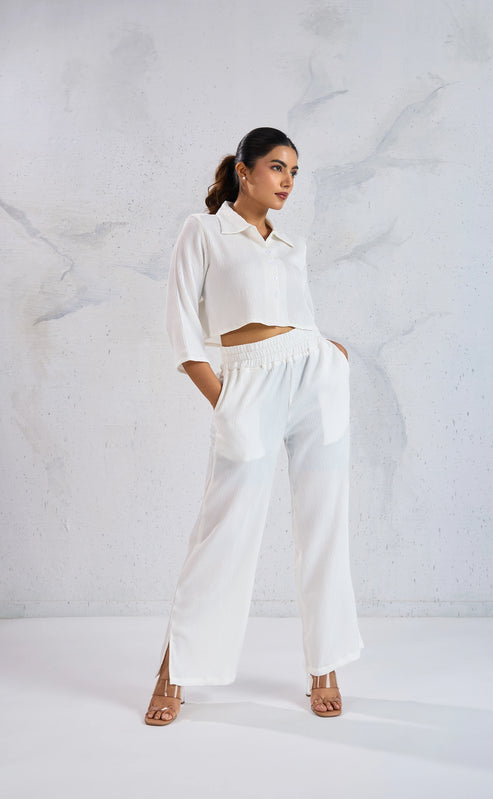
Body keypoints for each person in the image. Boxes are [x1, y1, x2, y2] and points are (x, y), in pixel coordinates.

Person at [145, 127, 364, 726]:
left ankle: (325, 664)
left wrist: (329, 356)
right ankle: (175, 670)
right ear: (244, 170)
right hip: (247, 381)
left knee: (324, 521)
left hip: (314, 378)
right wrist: (225, 400)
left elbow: (303, 320)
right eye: (276, 167)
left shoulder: (291, 242)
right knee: (224, 530)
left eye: (295, 170)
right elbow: (182, 330)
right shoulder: (205, 231)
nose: (288, 180)